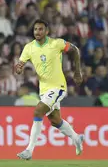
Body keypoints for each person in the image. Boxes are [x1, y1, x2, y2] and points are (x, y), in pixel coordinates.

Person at [15, 19, 84, 160]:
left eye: (41, 29)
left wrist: (77, 72)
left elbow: (75, 50)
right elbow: (20, 64)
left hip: (58, 87)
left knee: (38, 110)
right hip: (44, 89)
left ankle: (29, 150)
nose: (37, 32)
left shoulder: (56, 43)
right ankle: (76, 138)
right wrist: (19, 68)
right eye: (35, 29)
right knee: (55, 120)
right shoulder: (29, 47)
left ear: (47, 31)